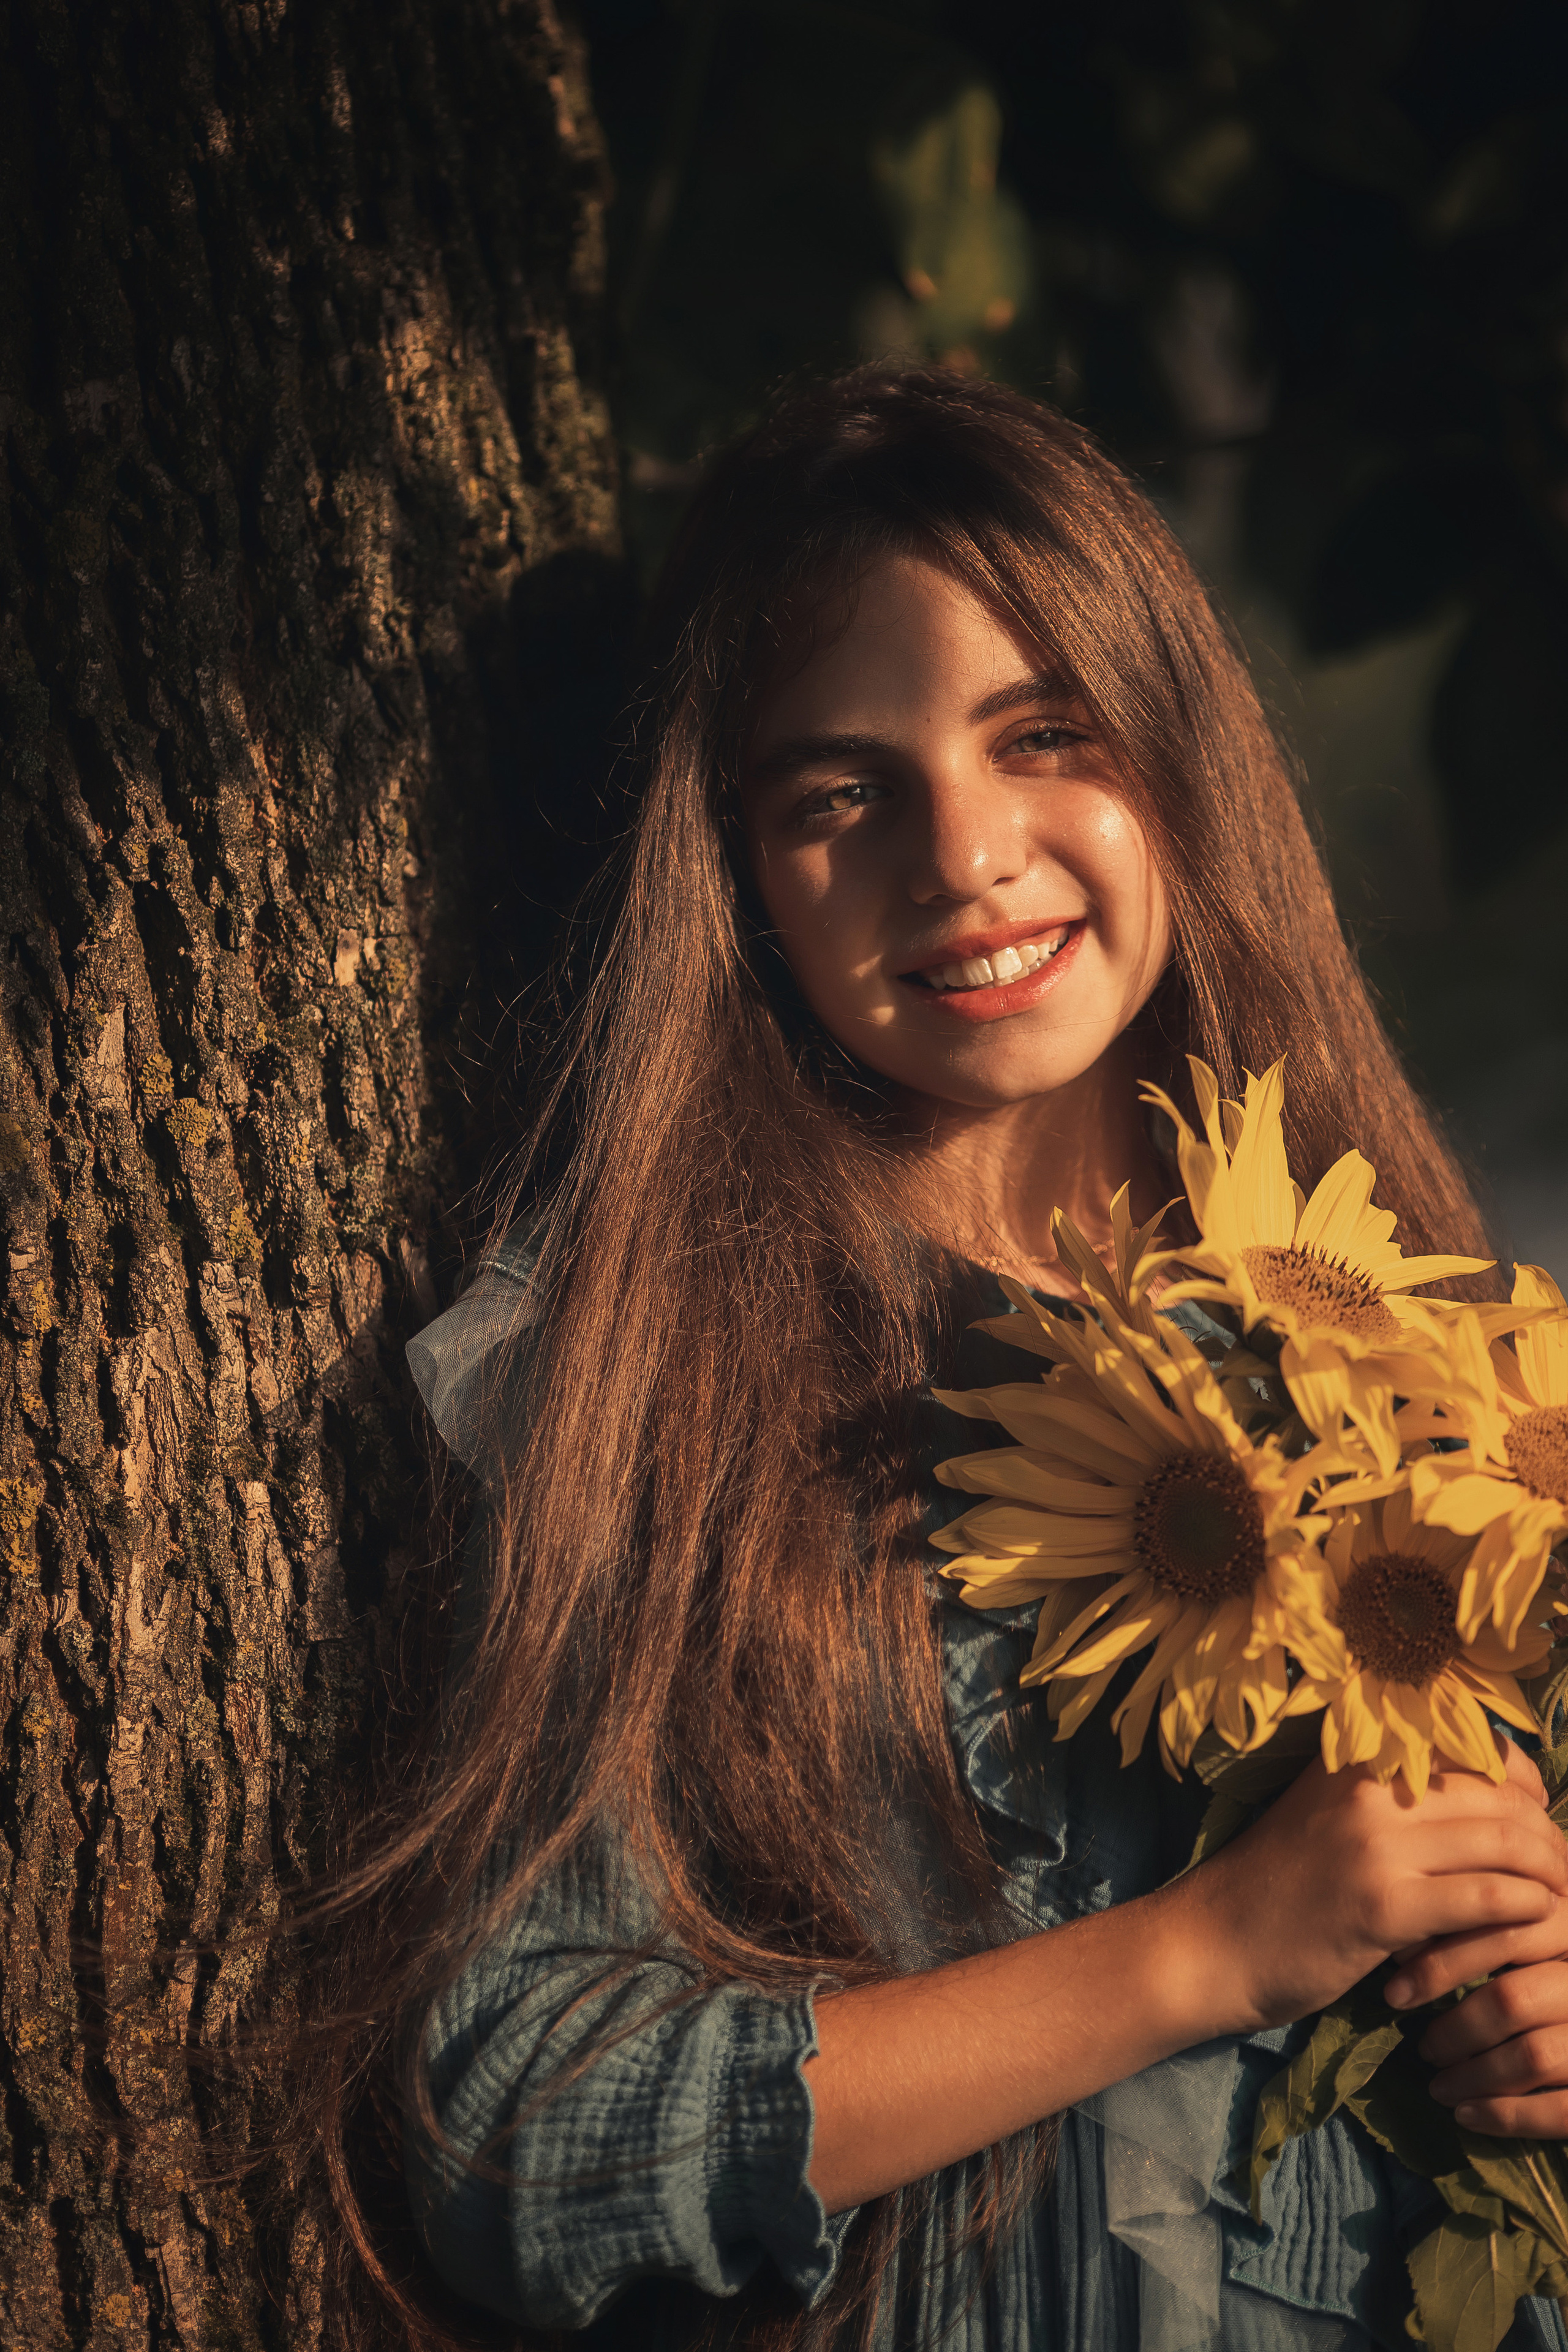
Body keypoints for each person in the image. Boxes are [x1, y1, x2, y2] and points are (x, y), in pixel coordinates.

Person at [380, 372, 1568, 2350]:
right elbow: (517, 2132)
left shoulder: (1454, 1361)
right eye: (841, 794)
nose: (965, 853)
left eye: (1047, 739)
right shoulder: (638, 1380)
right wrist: (1204, 1952)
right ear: (736, 867)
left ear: (1183, 765)